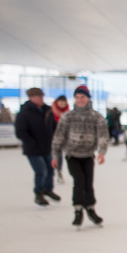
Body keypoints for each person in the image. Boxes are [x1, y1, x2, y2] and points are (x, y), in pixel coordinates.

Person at [51, 85, 108, 228]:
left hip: (88, 156)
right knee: (79, 182)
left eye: (83, 97)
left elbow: (103, 135)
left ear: (88, 98)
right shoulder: (67, 117)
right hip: (72, 155)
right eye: (77, 97)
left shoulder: (96, 117)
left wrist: (102, 152)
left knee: (88, 184)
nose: (80, 100)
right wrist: (55, 156)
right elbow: (58, 137)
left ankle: (90, 209)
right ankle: (78, 211)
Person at [14, 88, 61, 207]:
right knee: (41, 171)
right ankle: (39, 193)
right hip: (33, 149)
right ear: (31, 98)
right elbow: (20, 132)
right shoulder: (24, 112)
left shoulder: (47, 110)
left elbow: (54, 126)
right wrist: (32, 142)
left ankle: (48, 190)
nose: (41, 98)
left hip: (46, 147)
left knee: (50, 170)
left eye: (42, 96)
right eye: (38, 96)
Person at [51, 96, 70, 183]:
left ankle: (59, 172)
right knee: (51, 156)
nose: (62, 105)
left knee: (59, 156)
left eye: (64, 103)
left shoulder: (69, 113)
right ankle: (50, 173)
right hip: (51, 137)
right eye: (60, 103)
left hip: (63, 138)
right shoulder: (51, 112)